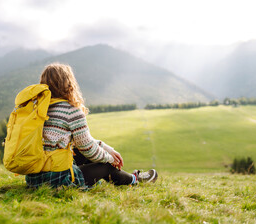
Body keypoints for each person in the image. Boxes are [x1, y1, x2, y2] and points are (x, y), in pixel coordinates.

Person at [25, 63, 158, 188]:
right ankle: (134, 180)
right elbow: (87, 148)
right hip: (55, 180)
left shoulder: (38, 108)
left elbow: (82, 142)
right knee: (105, 165)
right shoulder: (70, 110)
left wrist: (108, 149)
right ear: (68, 83)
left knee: (78, 152)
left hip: (33, 178)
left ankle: (130, 177)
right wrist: (110, 159)